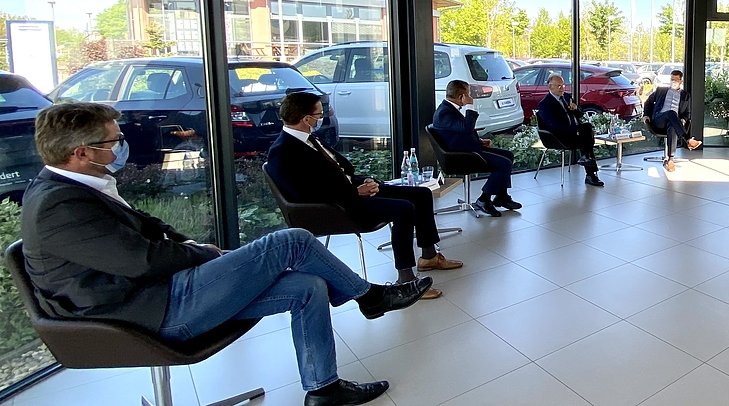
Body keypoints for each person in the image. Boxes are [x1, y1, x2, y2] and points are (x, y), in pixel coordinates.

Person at [21, 102, 432, 406]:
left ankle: (323, 389)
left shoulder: (80, 187)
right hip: (146, 313)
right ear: (81, 152)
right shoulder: (58, 205)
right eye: (114, 141)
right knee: (290, 240)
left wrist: (196, 248)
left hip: (163, 292)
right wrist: (204, 255)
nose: (120, 146)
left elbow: (152, 230)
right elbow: (142, 261)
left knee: (308, 286)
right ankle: (369, 296)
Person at [266, 93, 463, 290]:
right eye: (318, 114)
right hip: (338, 207)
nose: (321, 118)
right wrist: (355, 192)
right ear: (306, 119)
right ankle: (406, 279)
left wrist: (367, 182)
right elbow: (304, 194)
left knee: (421, 194)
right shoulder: (282, 151)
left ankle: (429, 256)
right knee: (403, 209)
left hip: (351, 192)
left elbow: (342, 171)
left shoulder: (310, 138)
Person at [432, 79, 522, 217]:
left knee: (508, 155)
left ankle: (502, 196)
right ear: (461, 97)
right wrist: (470, 106)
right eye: (468, 94)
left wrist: (479, 141)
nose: (470, 97)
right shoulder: (444, 113)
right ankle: (484, 199)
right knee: (504, 163)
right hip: (462, 155)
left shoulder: (448, 109)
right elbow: (467, 128)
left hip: (468, 148)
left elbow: (458, 132)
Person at [536, 74, 605, 187]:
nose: (562, 88)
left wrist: (576, 108)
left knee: (586, 129)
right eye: (558, 86)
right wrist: (574, 129)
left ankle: (587, 163)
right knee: (586, 138)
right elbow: (553, 125)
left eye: (563, 85)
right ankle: (590, 174)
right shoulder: (545, 104)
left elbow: (580, 114)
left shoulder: (567, 97)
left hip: (576, 133)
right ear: (550, 87)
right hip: (558, 136)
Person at [643, 69, 702, 172]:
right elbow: (648, 102)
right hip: (659, 119)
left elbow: (687, 114)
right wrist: (646, 115)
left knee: (672, 125)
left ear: (681, 81)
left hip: (674, 122)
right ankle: (687, 140)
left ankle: (670, 160)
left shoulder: (685, 96)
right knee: (671, 113)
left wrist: (683, 120)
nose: (673, 82)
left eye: (676, 80)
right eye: (672, 79)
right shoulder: (661, 90)